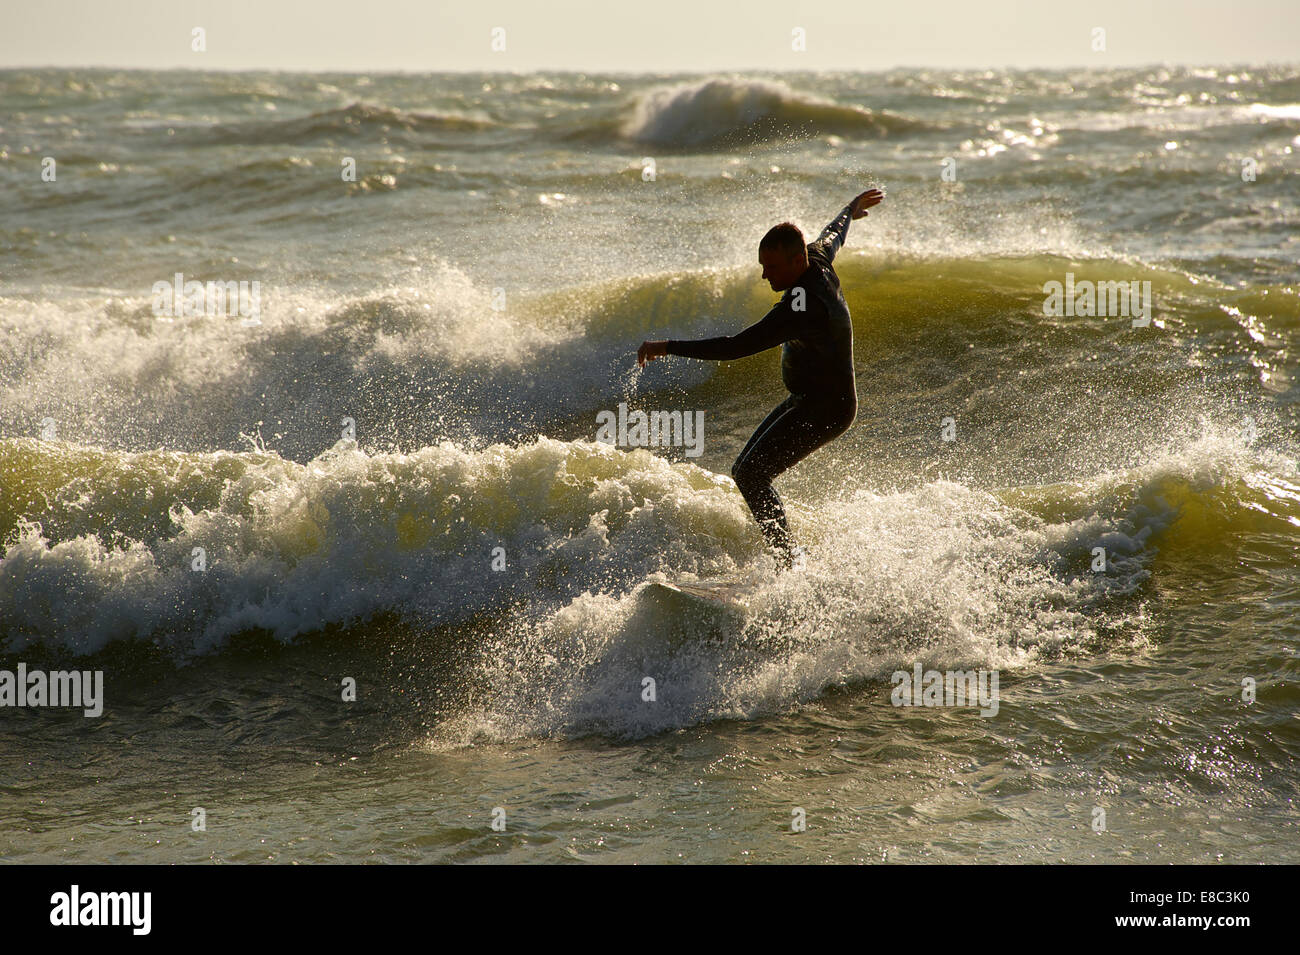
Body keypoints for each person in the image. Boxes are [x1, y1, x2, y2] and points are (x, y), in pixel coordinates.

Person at [638, 188, 884, 568]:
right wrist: (849, 209)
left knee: (752, 475)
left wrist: (668, 346)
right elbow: (833, 233)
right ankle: (787, 557)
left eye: (771, 266)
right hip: (810, 400)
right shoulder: (816, 256)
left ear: (795, 259)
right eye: (762, 264)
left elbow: (735, 347)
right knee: (744, 471)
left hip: (827, 409)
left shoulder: (800, 308)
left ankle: (787, 563)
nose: (764, 273)